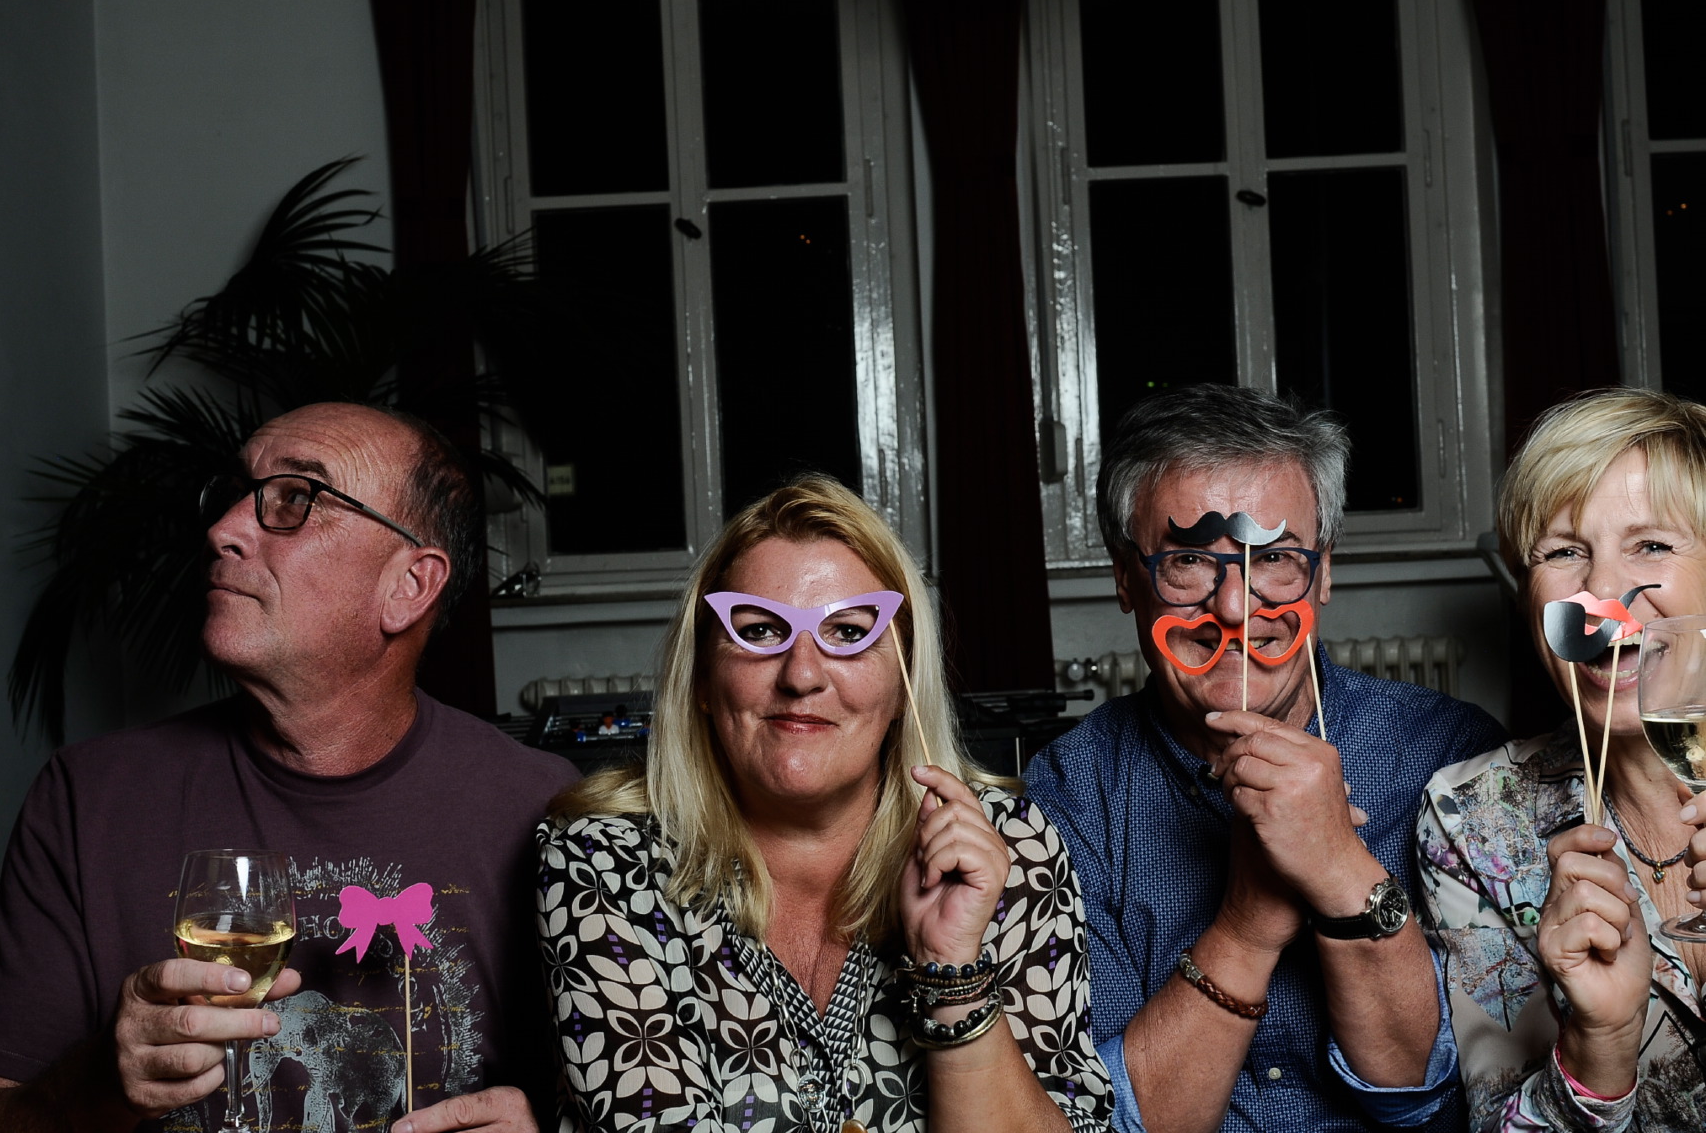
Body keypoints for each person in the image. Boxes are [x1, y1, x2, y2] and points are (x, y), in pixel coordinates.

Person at [0, 402, 581, 1133]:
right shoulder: (87, 800)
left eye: (295, 499)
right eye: (235, 493)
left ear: (408, 585)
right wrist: (95, 1085)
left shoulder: (543, 806)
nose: (223, 529)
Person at [536, 475, 1115, 1133]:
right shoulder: (603, 862)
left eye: (847, 632)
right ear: (701, 676)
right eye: (759, 630)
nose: (802, 675)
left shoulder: (1007, 848)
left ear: (902, 680)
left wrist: (953, 973)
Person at [1024, 383, 1507, 1132]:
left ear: (1324, 572)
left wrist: (1340, 869)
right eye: (1189, 560)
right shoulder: (1066, 796)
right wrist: (1248, 923)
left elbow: (1420, 1099)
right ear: (1125, 577)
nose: (1232, 607)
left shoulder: (1450, 758)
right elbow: (1116, 1119)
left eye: (1276, 557)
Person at [1416, 388, 1706, 1130]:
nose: (1601, 591)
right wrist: (1599, 1045)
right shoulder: (1474, 819)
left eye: (1651, 545)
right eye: (1565, 552)